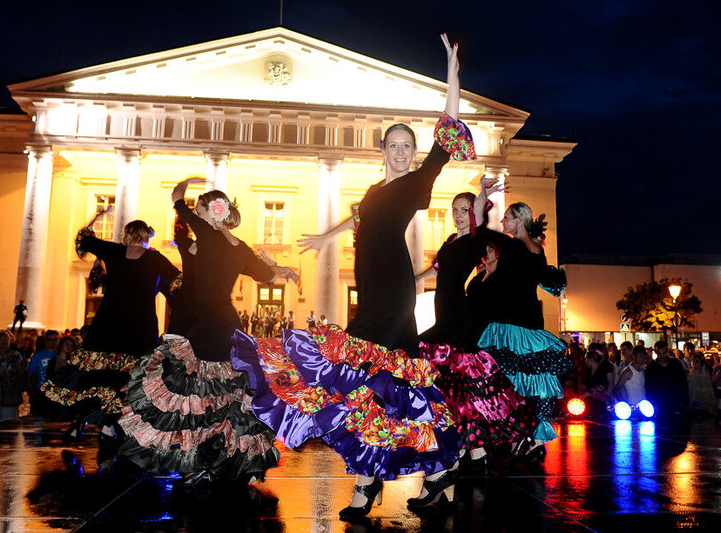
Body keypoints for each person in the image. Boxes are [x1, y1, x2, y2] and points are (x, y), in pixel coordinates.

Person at [234, 34, 471, 518]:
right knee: (371, 388)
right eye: (396, 145)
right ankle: (396, 476)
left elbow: (448, 128)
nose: (403, 152)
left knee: (381, 383)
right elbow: (360, 216)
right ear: (383, 149)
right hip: (372, 292)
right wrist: (325, 237)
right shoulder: (373, 189)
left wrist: (452, 69)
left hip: (394, 292)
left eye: (408, 146)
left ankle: (393, 476)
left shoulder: (417, 181)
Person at [118, 178, 297, 486]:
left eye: (200, 209)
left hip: (203, 322)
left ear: (211, 212)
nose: (196, 214)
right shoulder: (238, 247)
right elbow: (266, 275)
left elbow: (176, 200)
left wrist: (188, 183)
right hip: (226, 321)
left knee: (195, 392)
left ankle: (201, 457)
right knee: (225, 394)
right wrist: (278, 267)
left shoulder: (208, 234)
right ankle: (224, 457)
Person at [416, 186, 537, 473]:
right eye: (454, 210)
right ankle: (477, 452)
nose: (457, 215)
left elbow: (479, 215)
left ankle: (465, 450)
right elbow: (434, 270)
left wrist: (481, 193)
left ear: (474, 213)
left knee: (422, 356)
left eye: (464, 210)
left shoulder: (474, 240)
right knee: (461, 388)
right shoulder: (448, 243)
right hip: (444, 313)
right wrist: (410, 279)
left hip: (457, 316)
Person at [41, 208, 181, 448]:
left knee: (99, 375)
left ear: (127, 235)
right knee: (134, 376)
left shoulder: (114, 251)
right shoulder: (155, 259)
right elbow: (179, 280)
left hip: (109, 324)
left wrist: (98, 217)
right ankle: (120, 424)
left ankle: (104, 420)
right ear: (146, 236)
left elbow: (83, 238)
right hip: (140, 326)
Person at [464, 201, 569, 458]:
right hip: (527, 325)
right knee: (528, 381)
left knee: (507, 382)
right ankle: (529, 437)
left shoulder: (512, 248)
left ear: (519, 220)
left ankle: (522, 436)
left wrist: (482, 196)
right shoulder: (535, 250)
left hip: (512, 327)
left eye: (507, 218)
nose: (503, 223)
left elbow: (482, 229)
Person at [0, 331, 26, 422]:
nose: (4, 342)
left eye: (6, 340)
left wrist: (11, 379)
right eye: (1, 340)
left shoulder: (15, 355)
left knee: (7, 417)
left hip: (9, 389)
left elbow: (21, 371)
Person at [645, 340, 688, 416]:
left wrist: (684, 401)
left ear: (667, 351)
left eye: (663, 353)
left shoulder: (676, 364)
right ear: (656, 353)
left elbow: (683, 383)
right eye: (659, 354)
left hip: (676, 402)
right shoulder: (651, 367)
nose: (662, 356)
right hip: (660, 403)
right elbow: (649, 387)